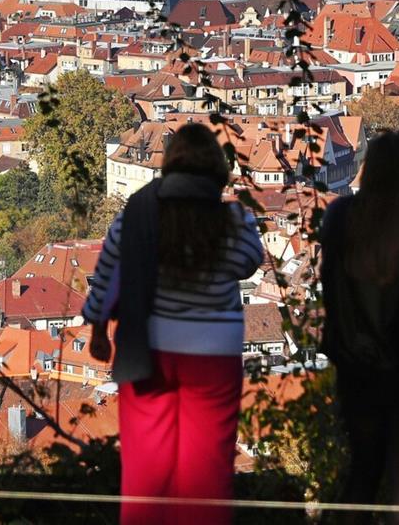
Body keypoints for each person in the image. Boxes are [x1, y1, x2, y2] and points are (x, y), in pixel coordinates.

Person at [83, 123, 264, 525]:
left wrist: (98, 329)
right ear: (217, 170)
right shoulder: (233, 220)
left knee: (147, 470)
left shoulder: (136, 216)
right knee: (206, 470)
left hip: (148, 349)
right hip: (213, 355)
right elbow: (251, 262)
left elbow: (107, 274)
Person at [319, 131, 399, 524]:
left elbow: (330, 285)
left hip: (357, 365)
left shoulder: (340, 219)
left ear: (368, 169)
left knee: (363, 472)